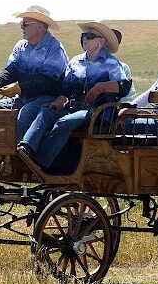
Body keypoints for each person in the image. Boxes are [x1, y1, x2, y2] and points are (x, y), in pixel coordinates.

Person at [17, 21, 132, 171]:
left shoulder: (111, 63)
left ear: (101, 41)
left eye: (90, 36)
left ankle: (41, 164)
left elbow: (124, 86)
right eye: (84, 36)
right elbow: (65, 88)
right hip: (73, 106)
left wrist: (100, 87)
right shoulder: (75, 61)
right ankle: (26, 148)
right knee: (46, 111)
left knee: (65, 121)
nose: (85, 39)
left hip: (96, 111)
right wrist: (60, 100)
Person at [0, 5, 69, 138]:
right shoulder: (20, 46)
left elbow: (48, 82)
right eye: (22, 24)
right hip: (23, 97)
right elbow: (11, 70)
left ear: (40, 27)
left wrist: (19, 88)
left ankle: (18, 154)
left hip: (47, 97)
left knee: (26, 112)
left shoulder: (55, 49)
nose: (22, 27)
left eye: (25, 24)